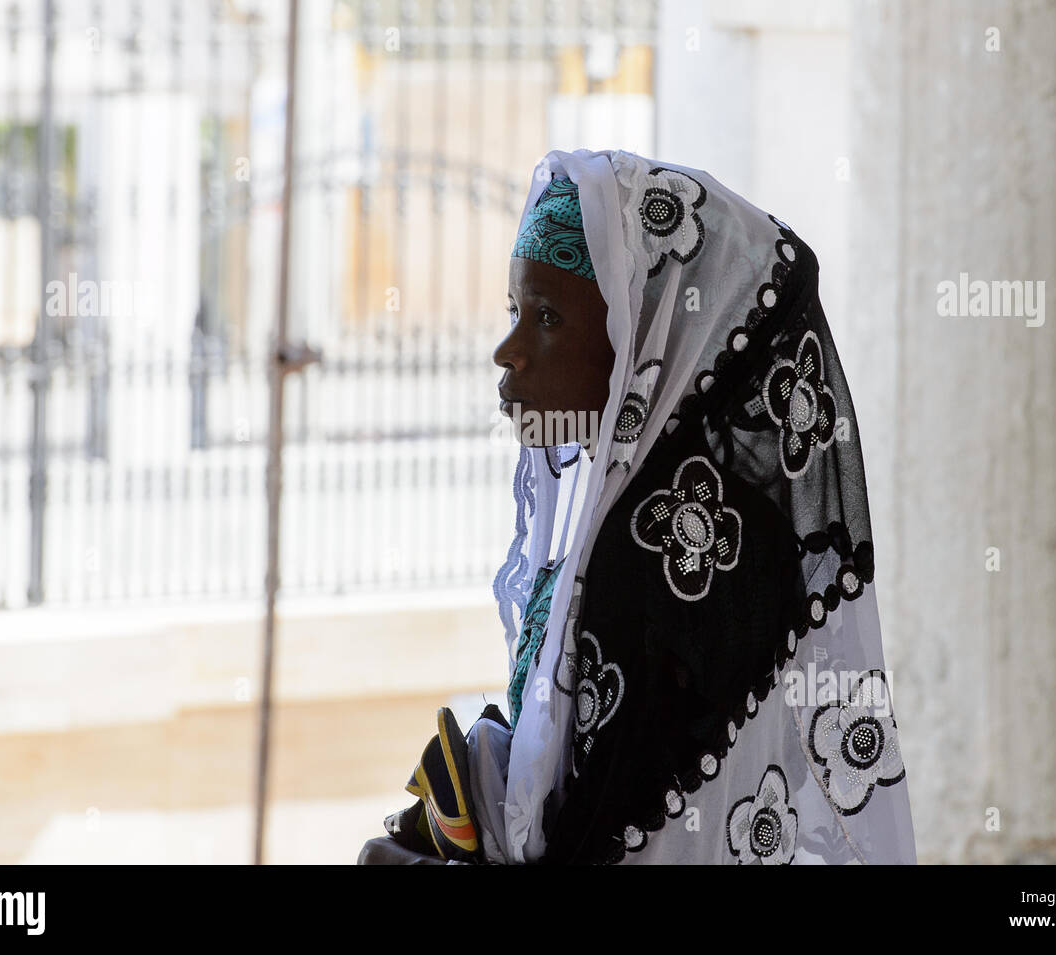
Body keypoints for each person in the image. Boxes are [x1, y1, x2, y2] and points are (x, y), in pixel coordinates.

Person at [363, 147, 917, 865]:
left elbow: (617, 840)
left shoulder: (681, 560)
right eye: (514, 311)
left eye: (548, 318)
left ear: (644, 335)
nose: (509, 350)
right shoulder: (627, 536)